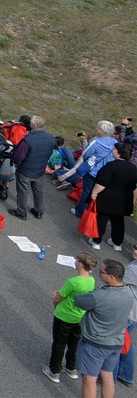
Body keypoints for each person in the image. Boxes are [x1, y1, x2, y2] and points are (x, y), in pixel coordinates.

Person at [74, 259, 136, 398]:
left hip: (96, 344)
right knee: (107, 376)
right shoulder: (128, 293)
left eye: (102, 272)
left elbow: (79, 300)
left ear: (111, 277)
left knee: (89, 380)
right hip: (116, 343)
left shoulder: (100, 296)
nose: (99, 274)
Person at [44, 252, 99, 383]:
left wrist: (54, 299)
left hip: (64, 316)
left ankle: (54, 371)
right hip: (79, 317)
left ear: (80, 264)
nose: (75, 262)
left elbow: (59, 296)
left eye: (76, 260)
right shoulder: (91, 280)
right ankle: (71, 368)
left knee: (59, 343)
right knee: (74, 344)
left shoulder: (73, 282)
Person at [60, 121, 118, 217]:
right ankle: (91, 211)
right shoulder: (114, 142)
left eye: (98, 128)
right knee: (97, 193)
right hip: (106, 172)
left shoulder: (96, 142)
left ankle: (79, 211)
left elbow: (86, 153)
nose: (97, 130)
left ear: (102, 131)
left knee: (86, 192)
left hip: (93, 171)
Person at [88, 143, 137, 251]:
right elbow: (134, 187)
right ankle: (117, 243)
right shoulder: (133, 169)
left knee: (102, 219)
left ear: (119, 153)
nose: (112, 150)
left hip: (107, 198)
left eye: (114, 149)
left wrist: (94, 193)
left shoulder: (111, 166)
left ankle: (96, 241)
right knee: (118, 221)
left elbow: (101, 183)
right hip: (124, 200)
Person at [7, 116, 56, 221]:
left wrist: (16, 164)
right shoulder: (51, 138)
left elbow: (19, 156)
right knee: (38, 190)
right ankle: (39, 211)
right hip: (40, 168)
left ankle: (21, 212)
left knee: (23, 190)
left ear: (33, 125)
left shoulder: (28, 139)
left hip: (26, 169)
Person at [115, 245, 137, 387]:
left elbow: (117, 281)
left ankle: (109, 376)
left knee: (115, 343)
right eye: (135, 247)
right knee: (125, 340)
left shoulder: (133, 270)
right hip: (133, 312)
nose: (134, 251)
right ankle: (126, 374)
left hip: (128, 311)